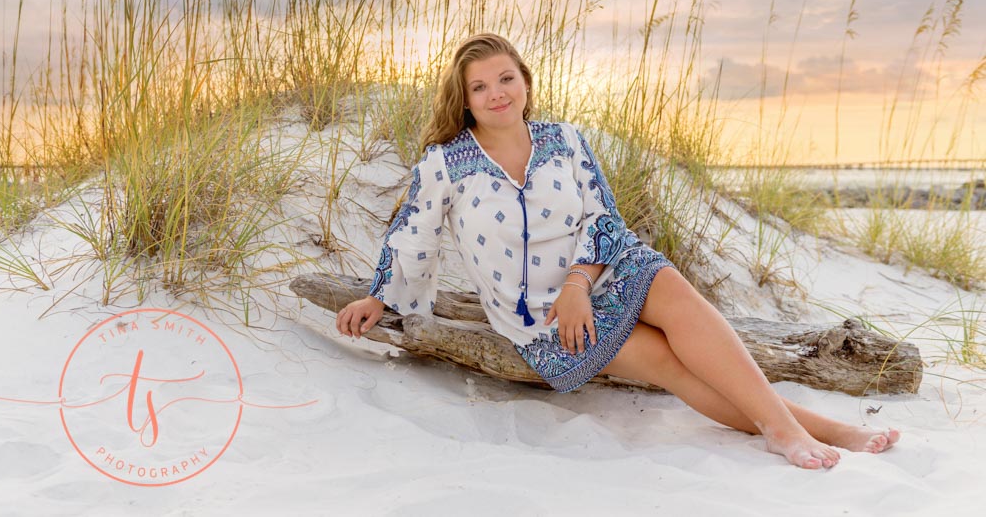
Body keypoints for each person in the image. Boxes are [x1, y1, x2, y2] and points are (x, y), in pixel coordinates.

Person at [336, 33, 900, 469]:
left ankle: (787, 432)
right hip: (540, 318)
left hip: (602, 271)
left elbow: (603, 216)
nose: (496, 93)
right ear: (465, 99)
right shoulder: (445, 163)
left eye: (505, 78)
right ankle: (815, 430)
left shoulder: (566, 141)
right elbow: (412, 235)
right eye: (480, 87)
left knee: (670, 286)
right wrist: (380, 298)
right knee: (664, 360)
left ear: (525, 82)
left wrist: (581, 282)